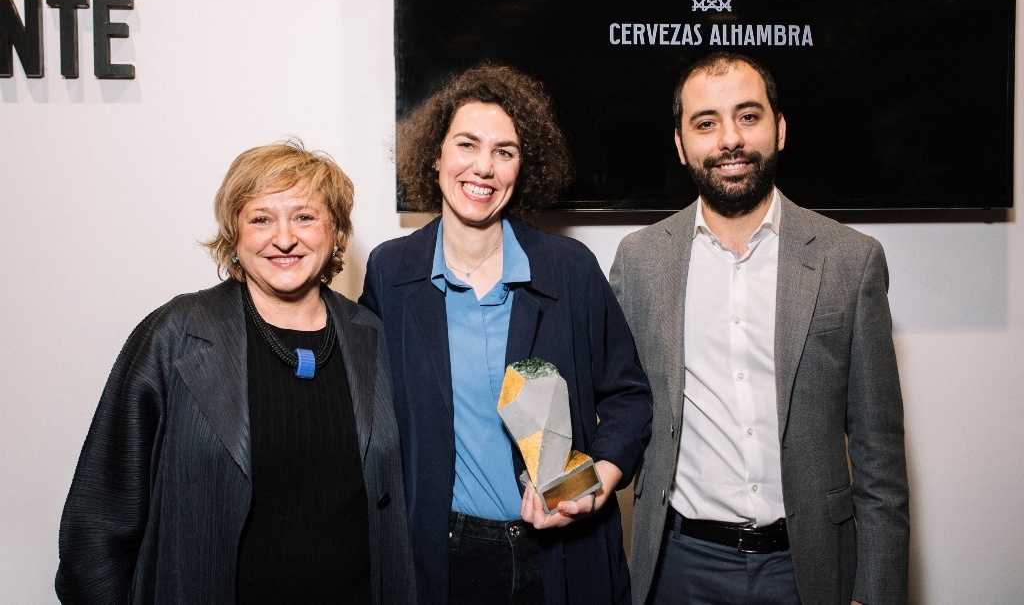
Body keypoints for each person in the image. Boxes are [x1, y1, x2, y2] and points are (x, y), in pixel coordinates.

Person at [56, 141, 415, 604]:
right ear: (234, 234)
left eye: (305, 217)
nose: (283, 238)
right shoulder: (177, 334)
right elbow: (99, 516)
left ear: (336, 231)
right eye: (261, 219)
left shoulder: (374, 335)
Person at [611, 52, 909, 605]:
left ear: (780, 129)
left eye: (748, 116)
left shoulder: (851, 260)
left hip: (808, 567)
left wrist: (876, 593)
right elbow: (617, 406)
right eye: (706, 123)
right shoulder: (640, 261)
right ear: (680, 144)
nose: (730, 139)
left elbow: (880, 457)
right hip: (678, 568)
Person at [360, 63, 652, 604]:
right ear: (435, 155)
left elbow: (629, 397)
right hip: (443, 557)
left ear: (523, 166)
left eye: (504, 151)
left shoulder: (570, 269)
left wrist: (599, 484)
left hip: (562, 553)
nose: (483, 167)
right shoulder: (391, 272)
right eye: (466, 144)